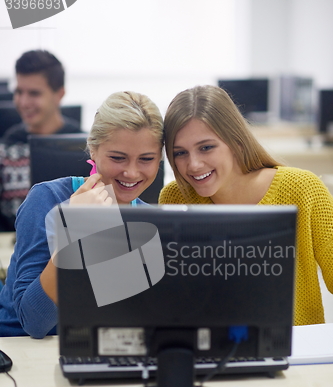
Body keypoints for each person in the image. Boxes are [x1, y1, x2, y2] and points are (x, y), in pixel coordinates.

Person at [159, 85, 333, 326]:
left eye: (206, 147)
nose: (194, 165)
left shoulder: (302, 188)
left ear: (236, 142)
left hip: (296, 352)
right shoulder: (175, 198)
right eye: (180, 153)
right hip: (210, 349)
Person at [0, 91, 164, 337]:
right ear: (93, 150)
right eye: (118, 158)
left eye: (146, 159)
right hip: (22, 352)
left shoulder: (151, 222)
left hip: (92, 345)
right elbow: (34, 323)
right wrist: (75, 232)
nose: (131, 172)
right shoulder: (46, 200)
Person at [0, 50, 82, 231]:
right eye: (19, 92)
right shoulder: (5, 146)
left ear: (59, 94)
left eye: (34, 93)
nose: (23, 102)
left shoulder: (83, 148)